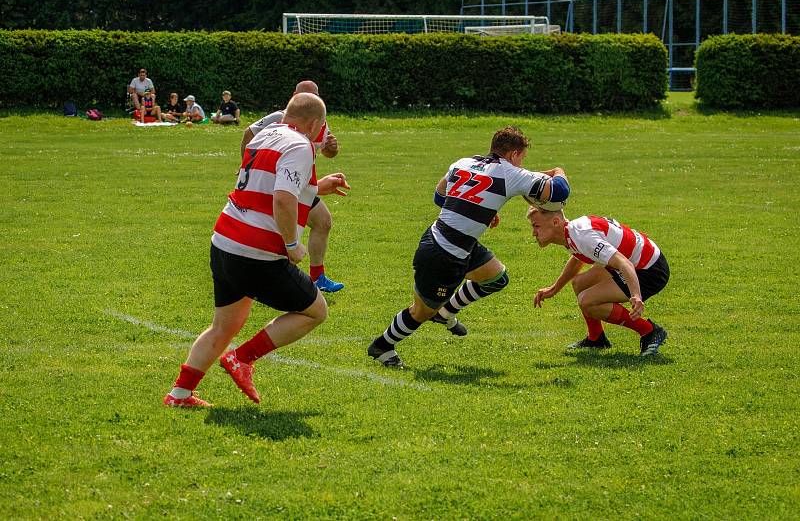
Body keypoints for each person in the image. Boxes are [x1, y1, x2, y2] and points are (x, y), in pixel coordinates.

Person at [163, 93, 351, 408]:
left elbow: (265, 184)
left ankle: (179, 394)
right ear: (316, 123)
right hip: (256, 251)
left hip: (224, 240)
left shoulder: (266, 134)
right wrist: (292, 244)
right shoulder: (301, 145)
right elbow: (282, 198)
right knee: (316, 311)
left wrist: (318, 187)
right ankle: (242, 359)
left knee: (224, 325)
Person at [368, 126, 570, 368]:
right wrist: (558, 170)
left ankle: (446, 313)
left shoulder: (463, 162)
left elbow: (440, 197)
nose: (522, 164)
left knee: (497, 278)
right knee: (422, 312)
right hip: (443, 254)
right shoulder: (511, 173)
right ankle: (382, 346)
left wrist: (478, 210)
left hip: (453, 241)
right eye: (522, 158)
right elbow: (559, 191)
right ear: (515, 154)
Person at [241, 80, 343, 293]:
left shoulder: (319, 121)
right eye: (305, 94)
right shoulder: (280, 117)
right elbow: (249, 133)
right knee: (279, 232)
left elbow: (326, 152)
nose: (310, 99)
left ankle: (317, 278)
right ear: (294, 95)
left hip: (298, 186)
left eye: (314, 95)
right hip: (280, 187)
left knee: (323, 222)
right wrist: (248, 165)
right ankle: (270, 279)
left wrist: (331, 149)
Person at [527, 207, 669, 356]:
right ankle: (596, 338)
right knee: (580, 283)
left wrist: (636, 295)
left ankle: (650, 331)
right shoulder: (570, 232)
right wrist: (554, 288)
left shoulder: (583, 237)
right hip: (634, 263)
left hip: (650, 271)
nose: (533, 233)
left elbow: (624, 263)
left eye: (537, 226)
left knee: (587, 301)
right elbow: (577, 259)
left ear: (556, 222)